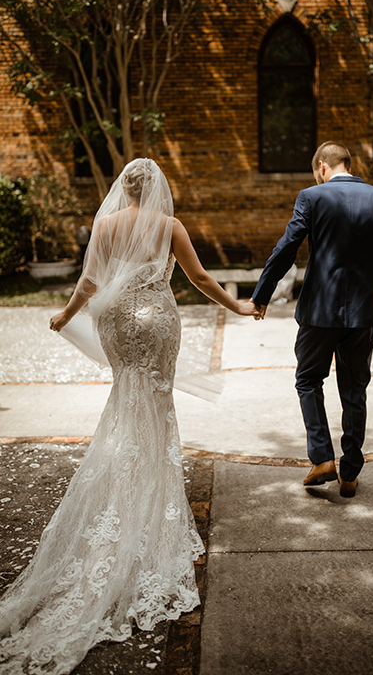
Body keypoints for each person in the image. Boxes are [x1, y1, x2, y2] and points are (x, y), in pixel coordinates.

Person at [0, 158, 258, 674]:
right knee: (156, 411)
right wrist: (239, 308)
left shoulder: (105, 224)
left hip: (117, 323)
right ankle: (149, 507)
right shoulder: (170, 227)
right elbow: (201, 278)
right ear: (158, 190)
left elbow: (90, 282)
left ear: (125, 191)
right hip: (157, 321)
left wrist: (65, 316)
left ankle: (127, 491)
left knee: (126, 400)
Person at [251, 141, 373, 498]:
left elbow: (286, 248)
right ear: (347, 164)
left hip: (318, 312)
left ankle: (322, 458)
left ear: (322, 166)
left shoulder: (311, 197)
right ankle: (350, 471)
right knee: (354, 390)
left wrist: (262, 294)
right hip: (363, 314)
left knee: (307, 379)